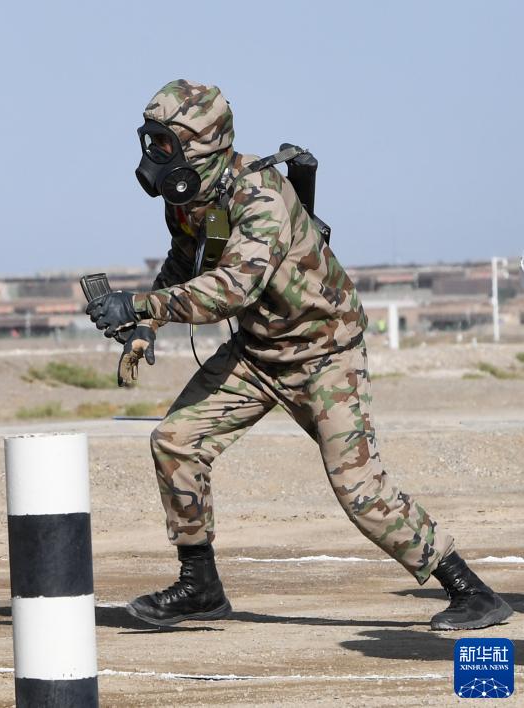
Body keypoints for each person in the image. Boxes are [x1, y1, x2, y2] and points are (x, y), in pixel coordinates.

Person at [86, 79, 513, 631]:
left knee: (359, 488)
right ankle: (200, 587)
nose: (153, 158)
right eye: (150, 143)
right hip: (260, 352)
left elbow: (232, 290)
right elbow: (186, 261)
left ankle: (472, 592)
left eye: (164, 145)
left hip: (324, 352)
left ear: (202, 145)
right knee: (176, 442)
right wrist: (143, 327)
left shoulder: (258, 196)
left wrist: (138, 303)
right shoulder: (187, 199)